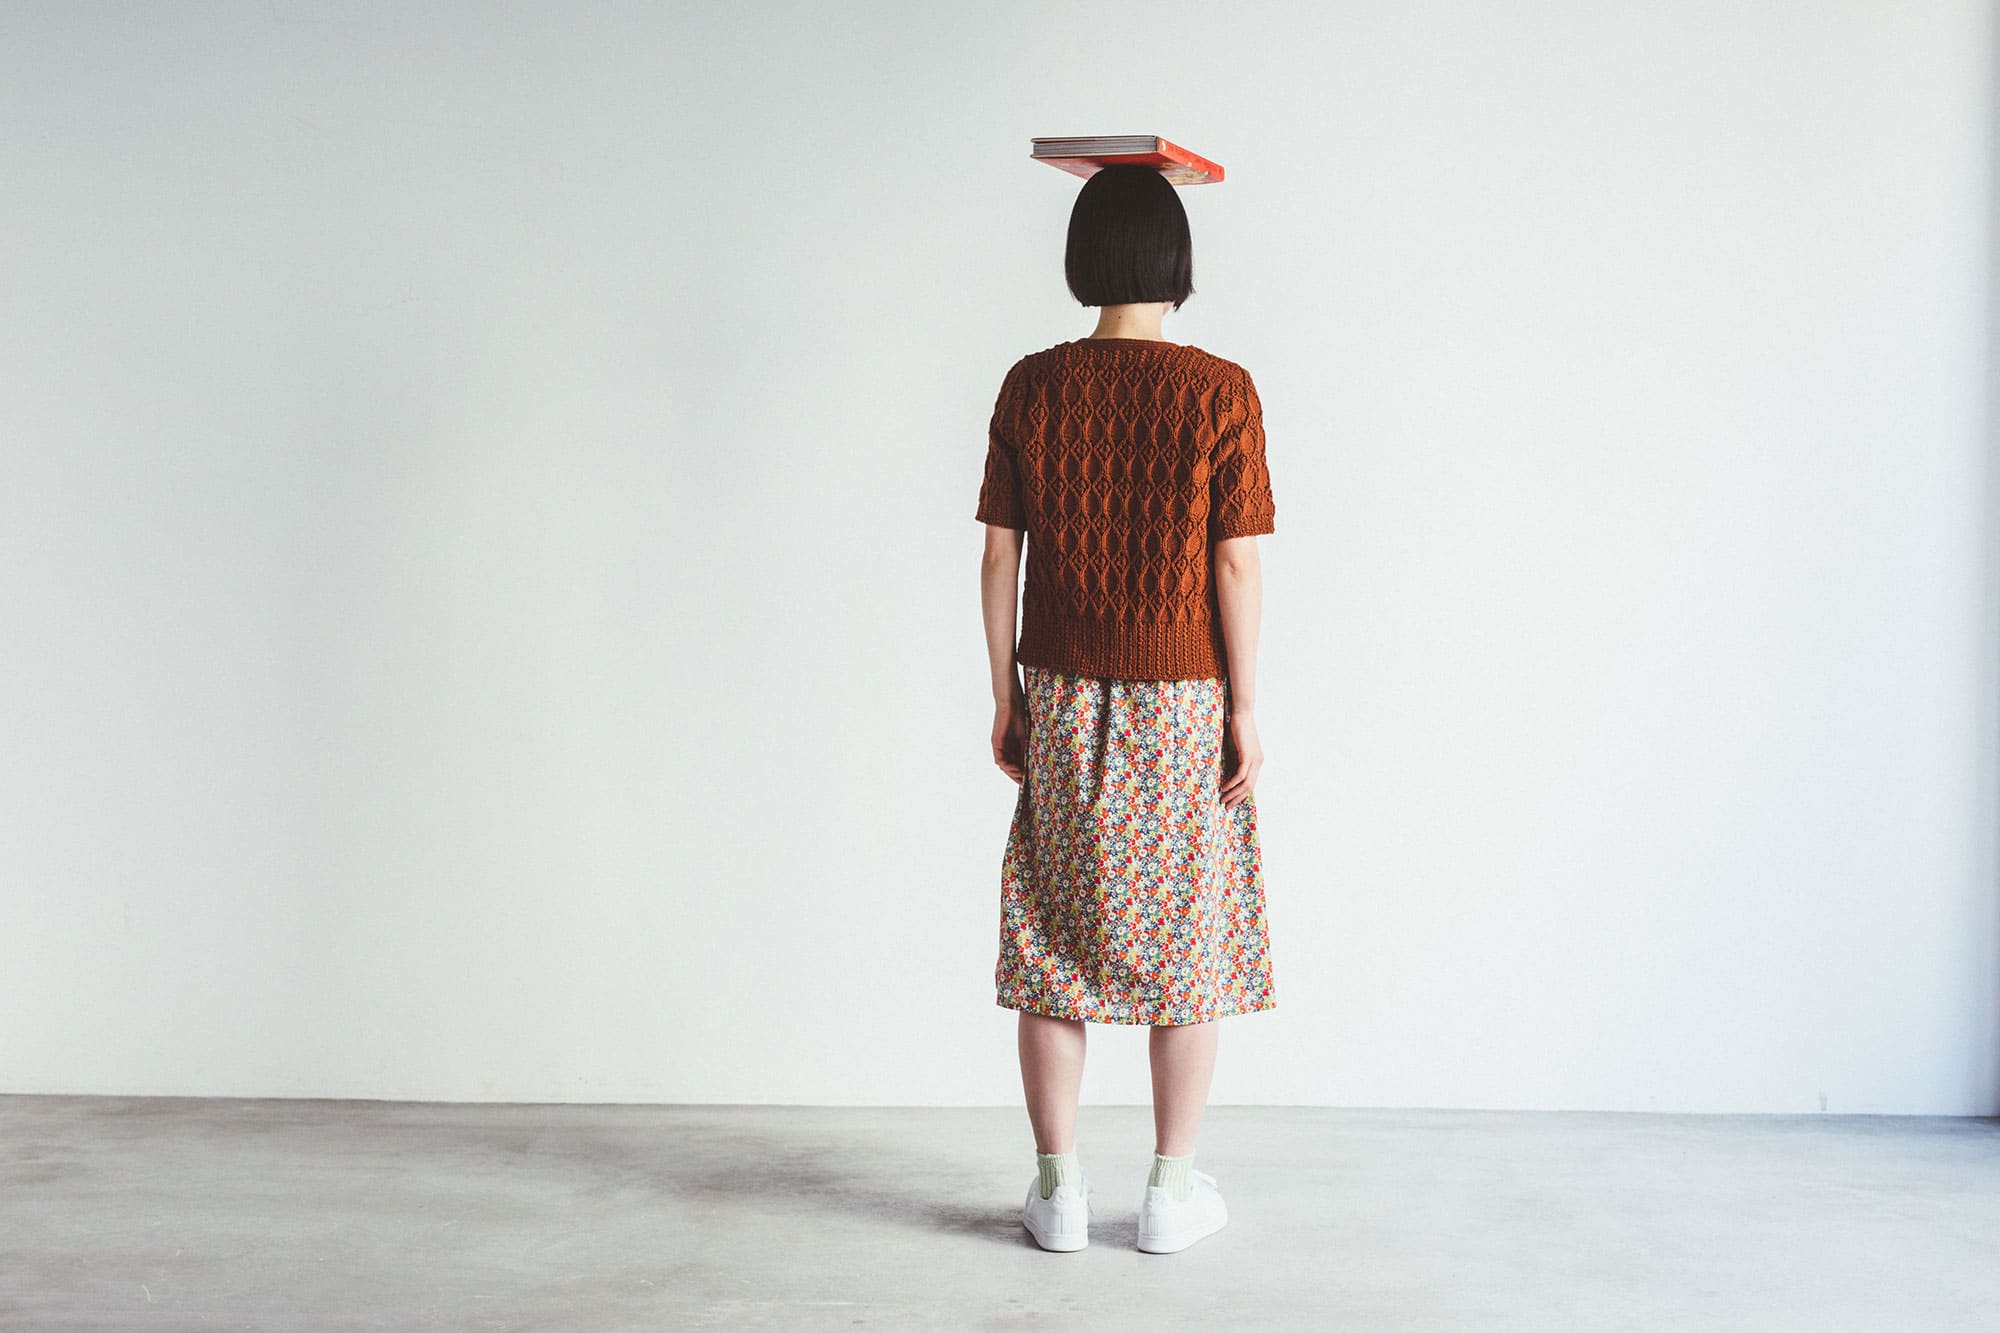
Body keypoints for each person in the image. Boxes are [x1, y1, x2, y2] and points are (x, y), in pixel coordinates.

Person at [974, 163, 1278, 1255]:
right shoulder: (1221, 390)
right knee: (1186, 936)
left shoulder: (1031, 385)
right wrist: (1246, 706)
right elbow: (1234, 564)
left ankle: (1056, 1193)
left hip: (1059, 689)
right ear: (1175, 262)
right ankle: (1167, 1192)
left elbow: (999, 555)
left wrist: (1004, 692)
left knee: (1053, 931)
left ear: (1084, 258)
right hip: (1185, 696)